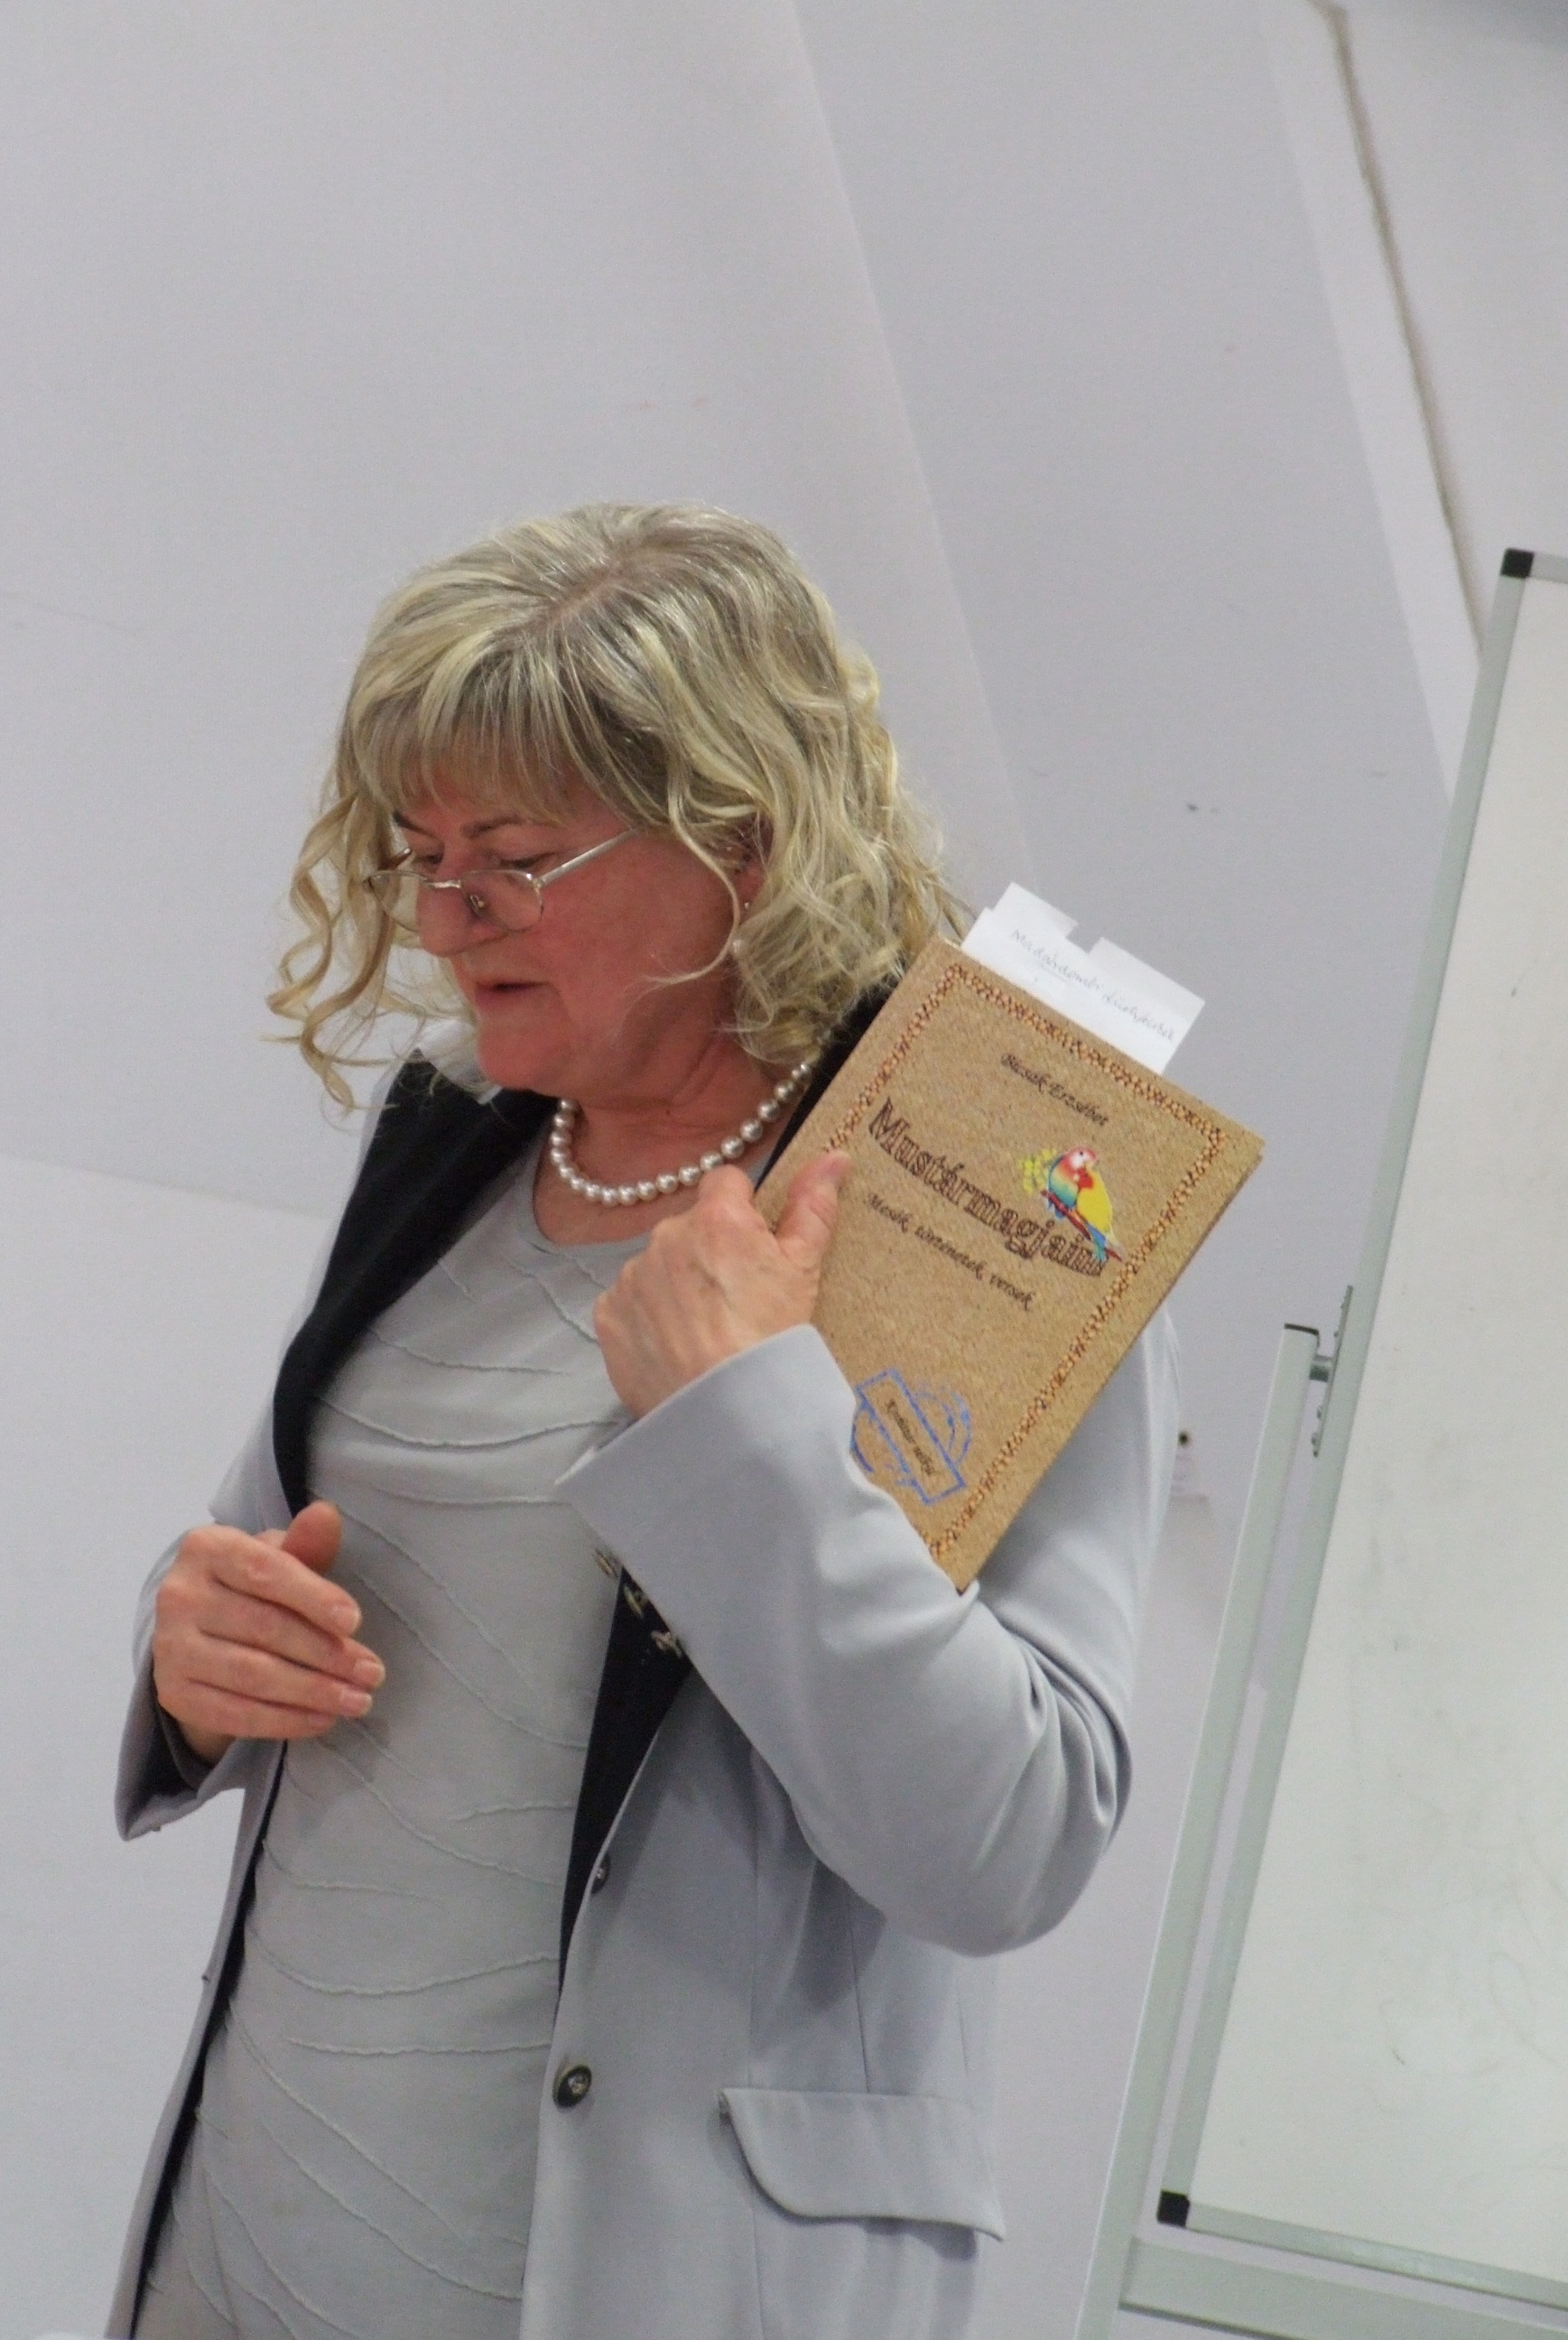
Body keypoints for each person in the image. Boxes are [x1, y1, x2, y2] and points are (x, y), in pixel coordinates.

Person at [108, 503, 1178, 2340]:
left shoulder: (989, 1202)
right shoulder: (452, 1135)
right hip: (257, 2243)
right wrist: (189, 1658)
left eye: (515, 859)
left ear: (743, 848)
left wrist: (752, 1424)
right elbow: (268, 1549)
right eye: (421, 853)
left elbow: (1010, 1842)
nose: (441, 917)